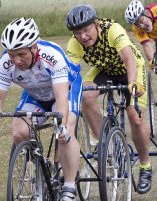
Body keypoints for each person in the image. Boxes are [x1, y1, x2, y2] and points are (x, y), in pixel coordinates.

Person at [0, 17, 82, 200]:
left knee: (66, 128)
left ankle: (69, 185)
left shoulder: (52, 56)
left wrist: (60, 124)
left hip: (65, 90)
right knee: (20, 131)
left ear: (34, 47)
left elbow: (61, 97)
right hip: (36, 95)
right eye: (12, 54)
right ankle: (42, 170)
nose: (16, 60)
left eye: (21, 54)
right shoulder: (5, 63)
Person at [66, 4, 152, 194]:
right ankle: (109, 148)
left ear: (96, 24)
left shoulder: (113, 30)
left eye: (86, 30)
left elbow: (128, 58)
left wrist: (132, 83)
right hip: (105, 69)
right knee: (85, 95)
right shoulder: (75, 42)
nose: (83, 36)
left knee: (135, 117)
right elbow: (70, 72)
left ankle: (145, 167)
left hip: (130, 69)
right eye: (77, 32)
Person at [125, 0, 157, 69]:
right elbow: (146, 45)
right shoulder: (136, 28)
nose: (142, 26)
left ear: (146, 13)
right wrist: (154, 62)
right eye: (137, 24)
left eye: (140, 20)